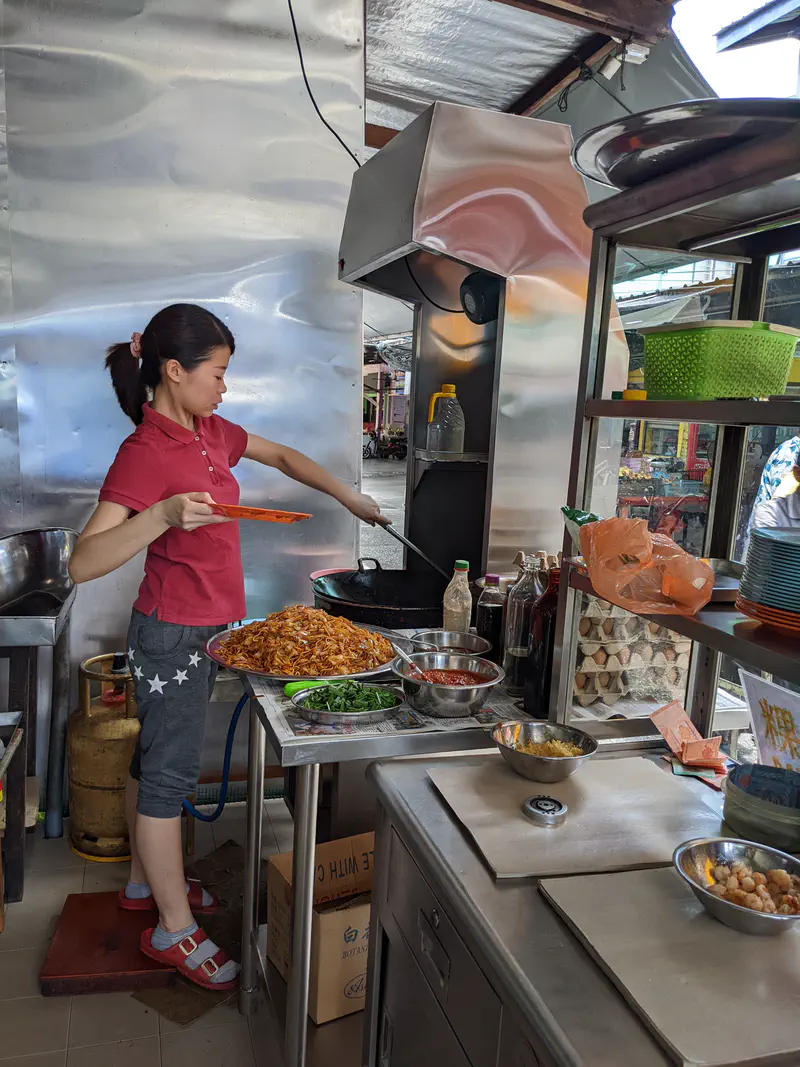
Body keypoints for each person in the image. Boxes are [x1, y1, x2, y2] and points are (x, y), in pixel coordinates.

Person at [68, 304, 386, 991]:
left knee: (154, 757)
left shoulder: (210, 430)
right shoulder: (144, 454)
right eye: (217, 372)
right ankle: (172, 929)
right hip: (172, 634)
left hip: (209, 631)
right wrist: (159, 515)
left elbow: (280, 455)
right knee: (168, 776)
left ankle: (142, 881)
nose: (225, 386)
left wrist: (348, 496)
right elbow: (82, 563)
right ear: (174, 371)